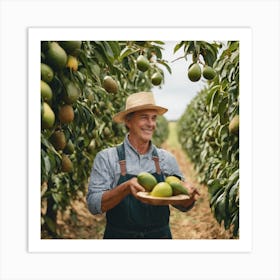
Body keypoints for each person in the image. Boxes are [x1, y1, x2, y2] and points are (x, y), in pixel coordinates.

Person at [86, 91, 199, 239]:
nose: (151, 124)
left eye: (153, 118)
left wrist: (189, 198)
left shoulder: (166, 159)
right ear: (128, 121)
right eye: (144, 117)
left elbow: (182, 204)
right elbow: (94, 205)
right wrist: (125, 188)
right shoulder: (107, 158)